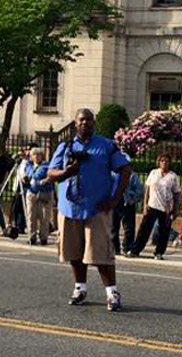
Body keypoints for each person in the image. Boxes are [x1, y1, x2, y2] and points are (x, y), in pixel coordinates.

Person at [45, 109, 132, 312]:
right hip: (69, 208)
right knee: (74, 252)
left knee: (101, 254)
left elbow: (125, 169)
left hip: (96, 209)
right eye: (81, 120)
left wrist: (114, 199)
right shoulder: (65, 146)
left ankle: (112, 293)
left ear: (94, 123)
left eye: (89, 120)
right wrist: (66, 172)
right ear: (75, 123)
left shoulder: (105, 146)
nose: (85, 123)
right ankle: (80, 289)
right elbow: (51, 172)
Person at [129, 154, 182, 260]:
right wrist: (145, 204)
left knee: (164, 231)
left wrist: (175, 209)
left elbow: (176, 193)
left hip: (166, 207)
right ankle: (135, 250)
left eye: (166, 161)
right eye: (162, 161)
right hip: (152, 205)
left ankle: (159, 252)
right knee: (144, 229)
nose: (164, 163)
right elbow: (147, 188)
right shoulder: (153, 173)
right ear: (159, 162)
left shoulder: (173, 176)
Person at [24, 146, 54, 246]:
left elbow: (43, 176)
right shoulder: (28, 165)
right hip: (31, 193)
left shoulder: (46, 166)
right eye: (34, 155)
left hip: (44, 193)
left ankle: (43, 237)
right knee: (31, 216)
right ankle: (31, 237)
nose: (36, 157)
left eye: (38, 155)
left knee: (44, 217)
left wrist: (39, 181)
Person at [112, 167, 141, 257]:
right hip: (114, 202)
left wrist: (132, 199)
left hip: (127, 202)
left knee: (129, 227)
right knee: (113, 226)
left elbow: (138, 190)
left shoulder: (132, 175)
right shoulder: (112, 173)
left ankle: (127, 248)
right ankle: (114, 248)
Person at [11, 144, 33, 235]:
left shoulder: (31, 162)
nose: (27, 152)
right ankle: (17, 224)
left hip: (26, 185)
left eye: (29, 150)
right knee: (17, 206)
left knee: (23, 207)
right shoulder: (21, 161)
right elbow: (12, 159)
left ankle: (21, 226)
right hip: (18, 185)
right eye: (26, 149)